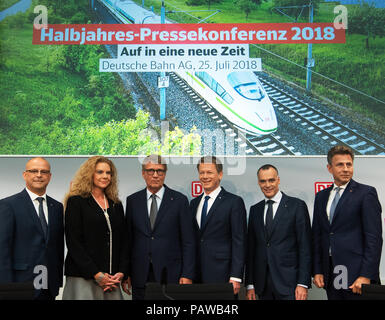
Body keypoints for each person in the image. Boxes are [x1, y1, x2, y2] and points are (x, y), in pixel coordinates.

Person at [312, 145, 383, 300]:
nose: (345, 169)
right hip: (332, 273)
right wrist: (317, 270)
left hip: (357, 275)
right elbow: (318, 236)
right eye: (340, 165)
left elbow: (374, 239)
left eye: (349, 164)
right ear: (329, 168)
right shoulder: (321, 196)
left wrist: (366, 275)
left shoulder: (366, 193)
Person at [122, 155, 195, 300]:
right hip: (140, 274)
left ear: (165, 173)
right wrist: (126, 272)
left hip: (171, 275)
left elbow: (188, 241)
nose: (155, 175)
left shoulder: (179, 200)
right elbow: (128, 240)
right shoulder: (133, 201)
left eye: (160, 171)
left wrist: (187, 274)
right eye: (150, 171)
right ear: (143, 173)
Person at [62, 156, 129, 300]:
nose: (105, 176)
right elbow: (74, 243)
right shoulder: (76, 201)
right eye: (100, 172)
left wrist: (122, 272)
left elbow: (124, 241)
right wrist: (96, 274)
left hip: (111, 279)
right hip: (83, 277)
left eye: (108, 173)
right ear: (89, 174)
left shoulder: (116, 204)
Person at [0, 157, 64, 300]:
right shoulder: (8, 205)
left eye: (44, 171)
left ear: (50, 176)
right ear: (25, 175)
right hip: (20, 285)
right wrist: (5, 289)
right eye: (34, 171)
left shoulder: (57, 207)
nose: (39, 175)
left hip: (49, 285)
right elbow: (2, 250)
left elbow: (58, 247)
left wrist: (57, 281)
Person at [245, 164, 312, 300]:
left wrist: (303, 283)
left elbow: (305, 247)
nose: (267, 185)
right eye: (263, 181)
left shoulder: (297, 206)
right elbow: (252, 250)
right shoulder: (255, 210)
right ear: (258, 182)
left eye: (271, 180)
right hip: (262, 285)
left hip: (290, 284)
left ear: (278, 180)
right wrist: (250, 284)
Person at [190, 156, 247, 297]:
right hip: (196, 276)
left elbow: (239, 241)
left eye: (209, 172)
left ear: (220, 174)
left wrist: (236, 276)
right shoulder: (193, 203)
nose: (205, 176)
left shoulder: (234, 202)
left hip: (223, 276)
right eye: (202, 172)